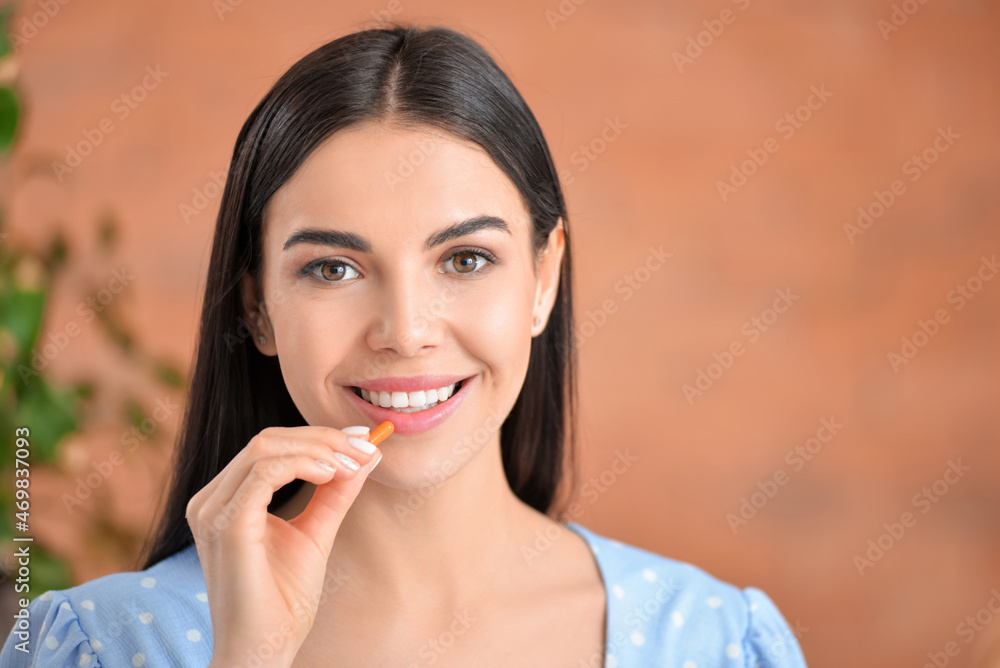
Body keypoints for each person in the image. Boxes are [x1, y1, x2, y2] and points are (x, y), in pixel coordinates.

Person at [1, 23, 809, 667]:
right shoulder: (97, 648)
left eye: (465, 259)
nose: (406, 331)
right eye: (334, 267)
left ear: (543, 278)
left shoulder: (714, 645)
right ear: (257, 306)